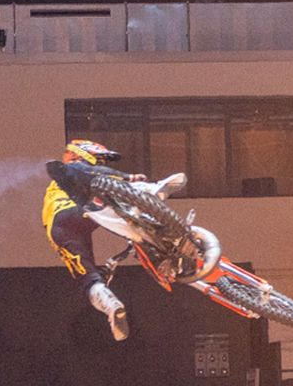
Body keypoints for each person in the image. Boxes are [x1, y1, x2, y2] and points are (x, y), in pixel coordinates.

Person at [43, 140, 186, 340]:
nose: (100, 163)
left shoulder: (64, 181)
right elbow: (97, 174)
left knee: (89, 278)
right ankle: (152, 190)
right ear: (84, 152)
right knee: (114, 201)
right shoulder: (74, 167)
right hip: (75, 209)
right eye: (99, 159)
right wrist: (129, 177)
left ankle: (112, 307)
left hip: (58, 229)